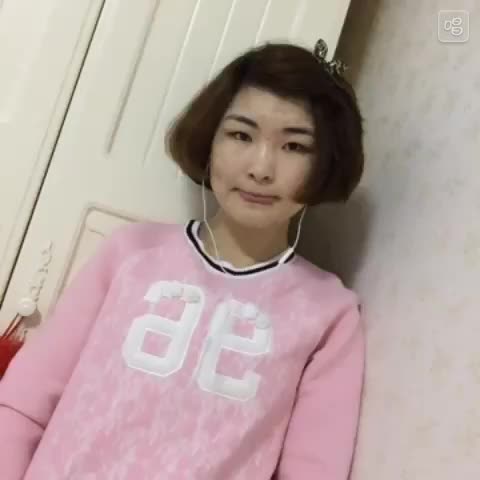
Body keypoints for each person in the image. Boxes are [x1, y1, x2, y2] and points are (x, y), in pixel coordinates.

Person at [0, 39, 365, 479]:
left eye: (294, 146)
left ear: (326, 163)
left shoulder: (329, 314)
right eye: (241, 135)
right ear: (209, 141)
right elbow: (21, 406)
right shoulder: (131, 253)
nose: (261, 168)